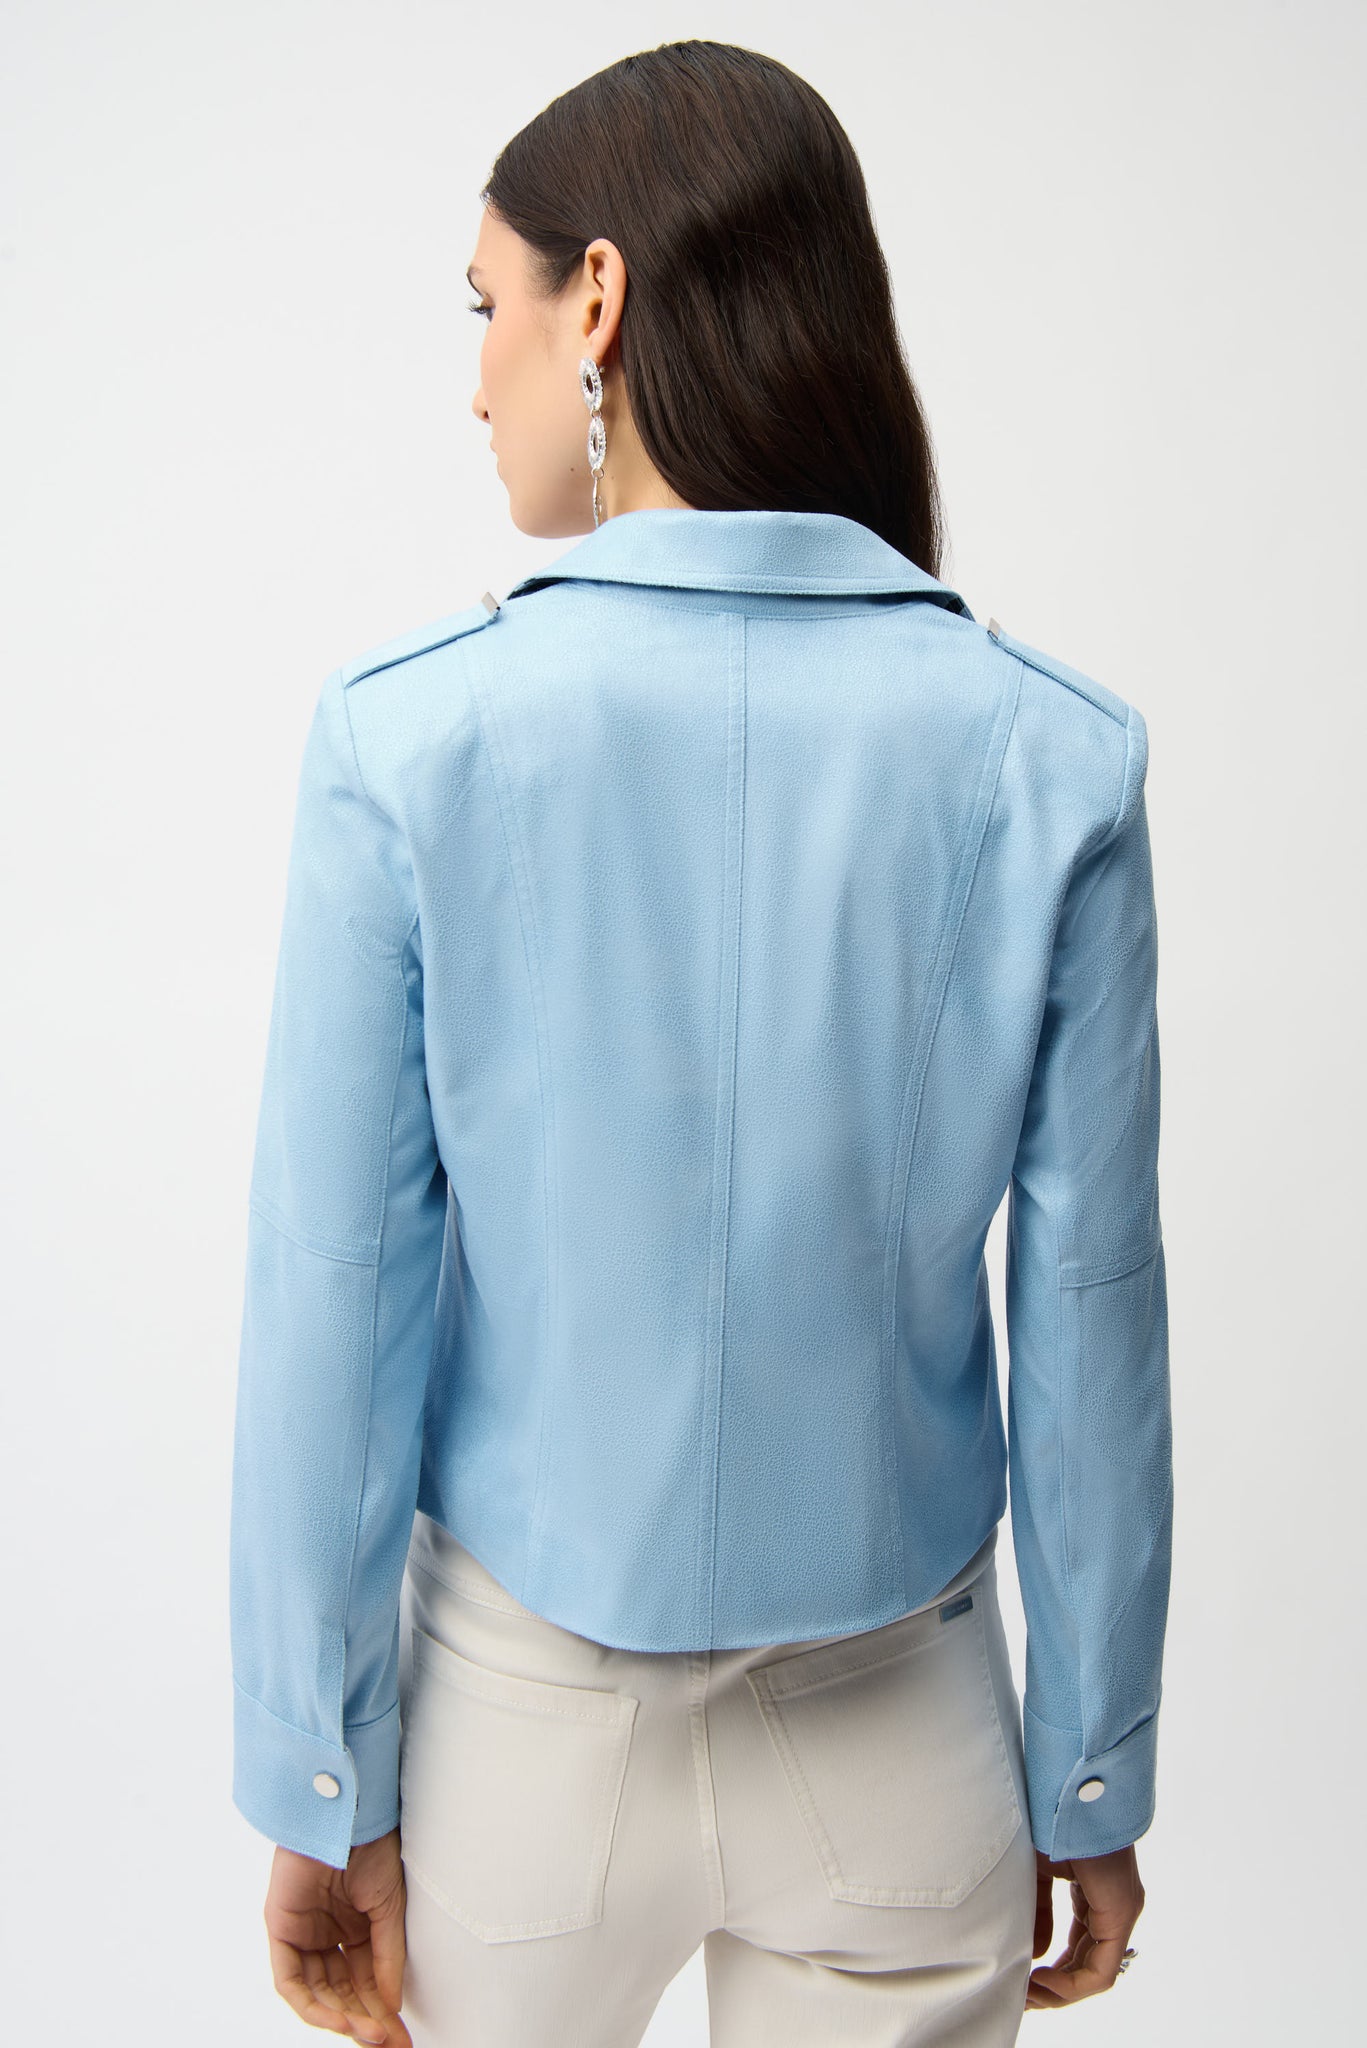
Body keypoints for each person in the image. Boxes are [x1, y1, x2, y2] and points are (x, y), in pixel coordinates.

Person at [228, 38, 1171, 2048]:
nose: (473, 380)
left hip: (517, 1753)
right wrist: (1091, 1768)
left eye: (484, 308)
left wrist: (324, 1775)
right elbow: (1091, 1310)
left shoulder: (410, 738)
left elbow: (337, 1289)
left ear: (600, 299)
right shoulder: (1047, 755)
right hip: (902, 1734)